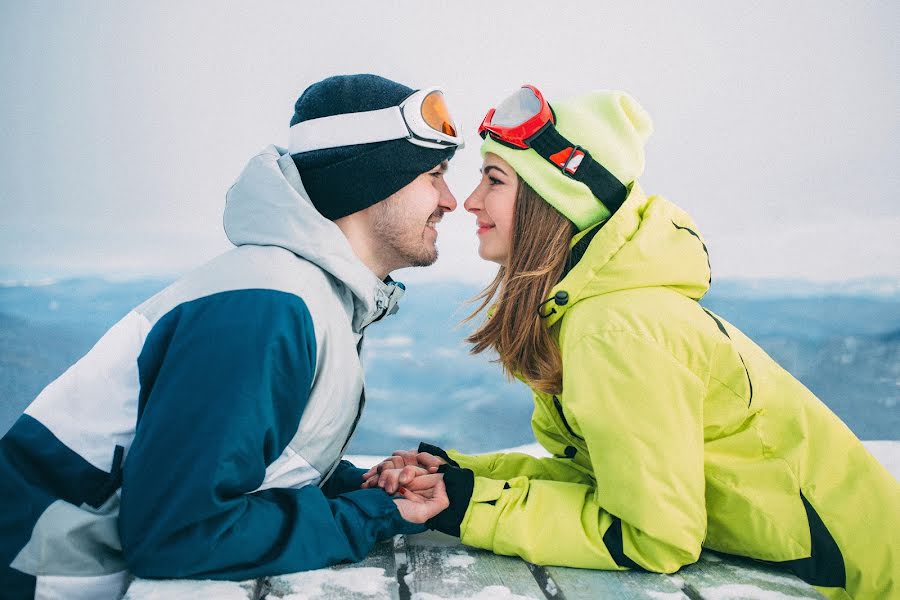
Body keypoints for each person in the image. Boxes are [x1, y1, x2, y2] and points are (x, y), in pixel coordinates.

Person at [364, 85, 899, 599]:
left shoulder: (617, 327)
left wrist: (465, 505)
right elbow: (600, 480)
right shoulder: (596, 312)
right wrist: (462, 477)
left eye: (495, 180)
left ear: (556, 199)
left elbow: (654, 537)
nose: (470, 201)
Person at [0, 74, 461, 600]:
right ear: (370, 180)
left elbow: (234, 468)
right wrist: (371, 514)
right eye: (434, 173)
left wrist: (353, 483)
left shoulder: (313, 298)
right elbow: (180, 533)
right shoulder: (267, 306)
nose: (450, 199)